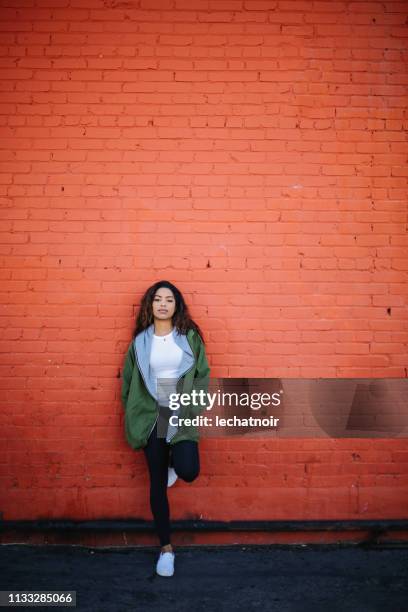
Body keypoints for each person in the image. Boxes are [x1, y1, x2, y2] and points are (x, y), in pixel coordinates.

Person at [121, 280, 211, 577]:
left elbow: (202, 374)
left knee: (189, 470)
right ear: (150, 305)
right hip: (152, 415)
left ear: (176, 305)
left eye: (168, 300)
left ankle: (175, 462)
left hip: (181, 410)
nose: (162, 304)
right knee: (157, 483)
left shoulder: (189, 337)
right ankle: (166, 549)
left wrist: (193, 408)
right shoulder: (139, 342)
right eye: (157, 299)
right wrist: (133, 414)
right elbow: (128, 383)